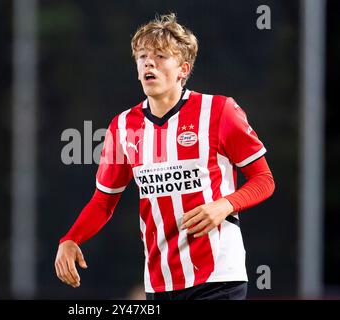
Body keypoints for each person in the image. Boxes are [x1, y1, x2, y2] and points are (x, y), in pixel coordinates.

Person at [55, 13, 275, 300]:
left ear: (183, 69)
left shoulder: (218, 111)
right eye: (143, 56)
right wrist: (71, 238)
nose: (149, 62)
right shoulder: (123, 126)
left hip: (219, 277)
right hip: (161, 283)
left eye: (160, 56)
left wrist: (224, 206)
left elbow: (264, 180)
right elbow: (104, 201)